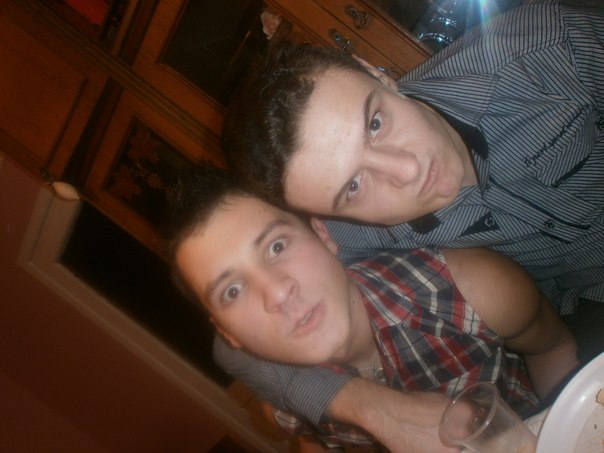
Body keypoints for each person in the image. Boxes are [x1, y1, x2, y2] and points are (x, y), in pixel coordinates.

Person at [216, 0, 604, 447]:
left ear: (377, 73)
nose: (407, 170)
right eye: (354, 186)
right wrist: (370, 408)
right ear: (326, 221)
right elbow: (231, 347)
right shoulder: (350, 235)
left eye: (375, 123)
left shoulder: (544, 50)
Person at [164, 166, 578, 451]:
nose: (276, 293)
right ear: (228, 333)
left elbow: (552, 346)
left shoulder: (471, 290)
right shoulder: (284, 403)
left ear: (323, 235)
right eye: (233, 291)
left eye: (276, 246)